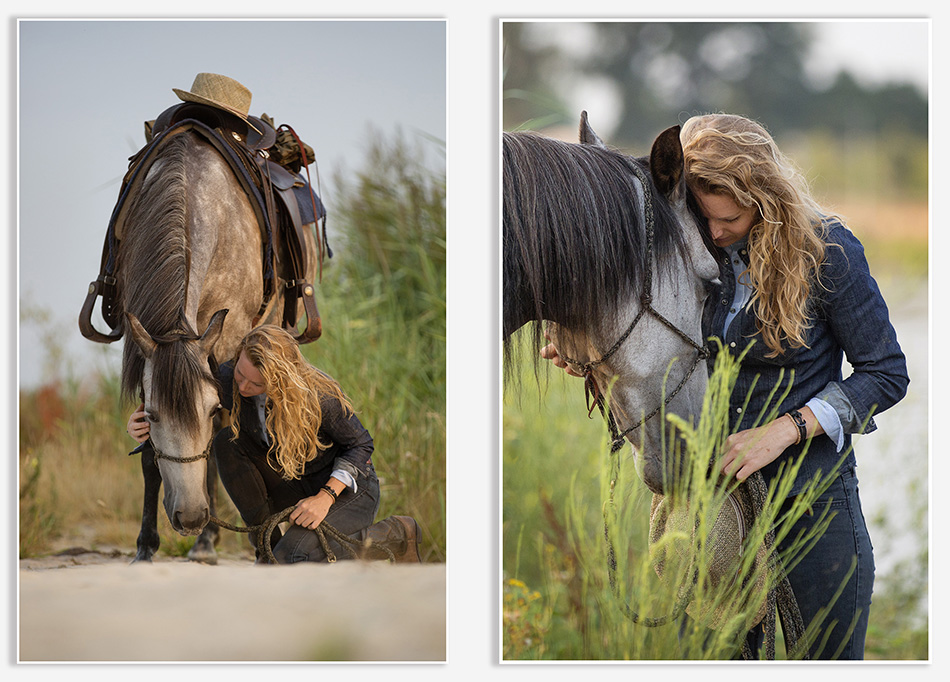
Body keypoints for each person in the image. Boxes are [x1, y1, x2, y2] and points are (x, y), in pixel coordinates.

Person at [541, 113, 909, 659]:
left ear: (764, 197)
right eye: (703, 218)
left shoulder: (828, 251)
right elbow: (661, 354)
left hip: (815, 503)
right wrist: (594, 360)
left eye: (729, 218)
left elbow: (886, 373)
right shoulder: (686, 255)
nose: (714, 233)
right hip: (712, 516)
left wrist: (785, 430)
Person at [128, 325, 422, 564]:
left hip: (346, 492)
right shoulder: (231, 379)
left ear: (281, 380)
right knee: (226, 443)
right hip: (293, 480)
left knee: (295, 556)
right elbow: (184, 407)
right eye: (241, 374)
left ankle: (397, 534)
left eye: (255, 384)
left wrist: (325, 498)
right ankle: (267, 551)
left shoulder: (320, 397)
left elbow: (361, 446)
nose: (242, 388)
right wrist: (143, 424)